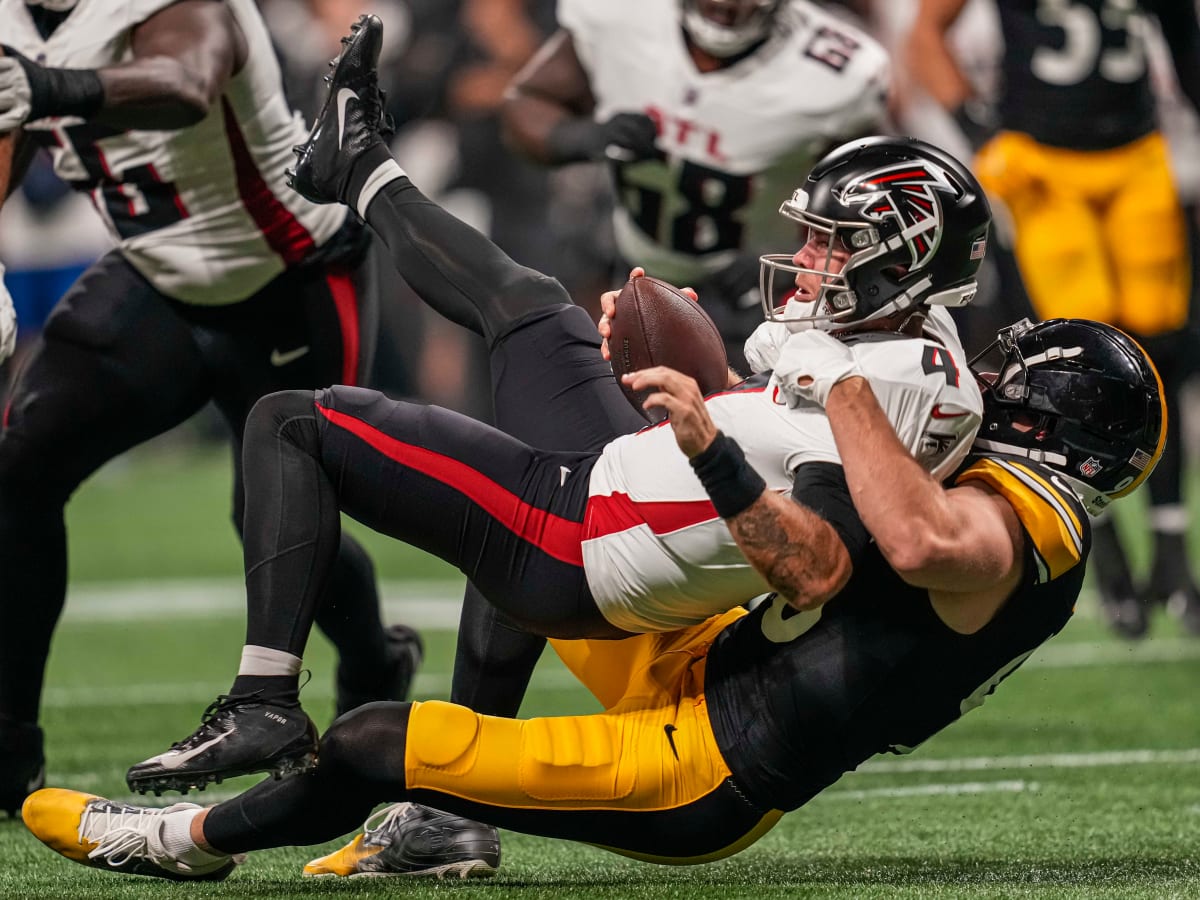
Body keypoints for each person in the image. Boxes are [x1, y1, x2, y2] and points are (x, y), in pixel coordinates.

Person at [118, 15, 992, 798]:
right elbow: (785, 439)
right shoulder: (905, 346)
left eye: (831, 244)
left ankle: (264, 700)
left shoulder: (877, 382)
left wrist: (702, 437)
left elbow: (816, 569)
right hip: (624, 496)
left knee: (292, 423)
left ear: (902, 257)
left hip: (582, 538)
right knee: (532, 307)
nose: (804, 257)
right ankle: (357, 165)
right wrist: (702, 383)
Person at [19, 312, 1166, 881]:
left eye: (1009, 381)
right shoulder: (1028, 515)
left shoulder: (1018, 533)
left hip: (700, 769)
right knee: (536, 576)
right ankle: (443, 828)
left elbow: (911, 543)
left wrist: (847, 385)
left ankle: (181, 840)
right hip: (707, 665)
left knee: (374, 741)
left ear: (1038, 420)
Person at [0, 0, 423, 818]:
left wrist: (44, 84)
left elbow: (186, 82)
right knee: (20, 466)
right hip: (159, 275)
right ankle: (6, 743)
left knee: (271, 516)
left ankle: (375, 664)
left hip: (291, 274)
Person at [905, 0, 1200, 638]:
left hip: (1139, 152)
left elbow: (1181, 36)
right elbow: (926, 32)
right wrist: (976, 126)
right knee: (1078, 367)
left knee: (1161, 354)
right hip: (1047, 167)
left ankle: (1173, 551)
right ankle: (1111, 555)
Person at [501, 0, 893, 368]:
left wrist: (801, 256)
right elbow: (528, 101)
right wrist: (580, 137)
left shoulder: (836, 72)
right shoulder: (620, 16)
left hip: (764, 297)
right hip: (636, 272)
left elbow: (873, 196)